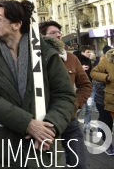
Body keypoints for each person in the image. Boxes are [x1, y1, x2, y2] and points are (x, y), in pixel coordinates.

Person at [0, 0, 76, 168]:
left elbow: (65, 96)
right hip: (4, 150)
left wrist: (50, 129)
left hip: (43, 149)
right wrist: (27, 124)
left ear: (17, 24)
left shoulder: (46, 53)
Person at [40, 21, 92, 169]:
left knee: (80, 165)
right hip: (45, 122)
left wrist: (74, 105)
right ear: (43, 36)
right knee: (46, 164)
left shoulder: (70, 58)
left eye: (59, 32)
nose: (58, 34)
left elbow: (85, 85)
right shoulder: (36, 58)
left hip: (70, 120)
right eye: (53, 32)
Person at [91, 45, 114, 153]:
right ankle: (107, 144)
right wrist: (107, 78)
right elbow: (94, 74)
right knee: (107, 123)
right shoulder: (106, 59)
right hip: (104, 99)